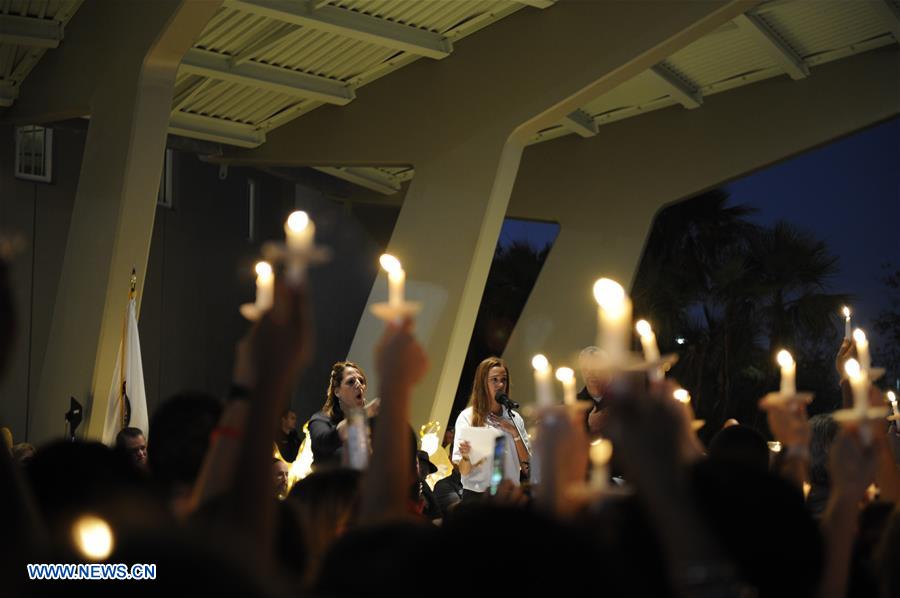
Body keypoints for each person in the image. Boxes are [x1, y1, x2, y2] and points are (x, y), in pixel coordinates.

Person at [452, 357, 531, 501]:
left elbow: (527, 468)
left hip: (508, 497)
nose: (500, 384)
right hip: (477, 497)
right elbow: (463, 471)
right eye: (494, 380)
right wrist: (466, 456)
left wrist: (514, 433)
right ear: (483, 384)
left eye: (504, 380)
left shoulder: (514, 418)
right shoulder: (467, 417)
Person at [308, 361, 378, 468]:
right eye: (351, 381)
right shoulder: (320, 420)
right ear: (337, 392)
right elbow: (325, 441)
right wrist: (366, 413)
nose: (359, 384)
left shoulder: (369, 424)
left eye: (361, 380)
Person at [577, 346, 610, 436]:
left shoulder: (623, 398)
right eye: (586, 369)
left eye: (595, 369)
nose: (590, 374)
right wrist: (590, 427)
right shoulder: (572, 405)